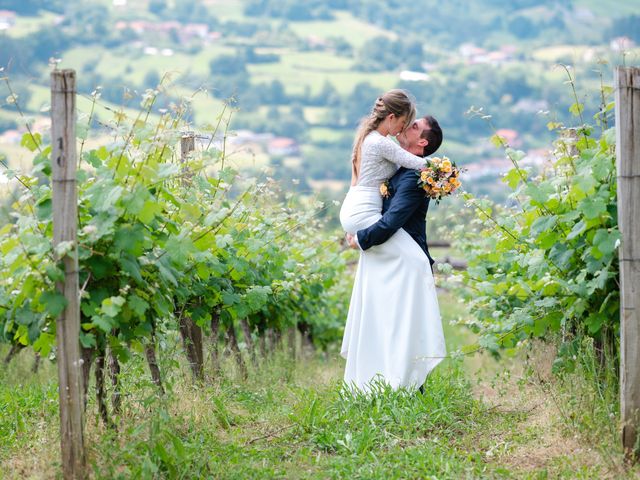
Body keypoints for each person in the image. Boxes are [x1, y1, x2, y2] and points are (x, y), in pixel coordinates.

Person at [339, 107, 446, 392]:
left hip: (405, 259)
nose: (407, 126)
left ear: (423, 142)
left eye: (414, 127)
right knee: (388, 322)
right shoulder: (403, 168)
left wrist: (361, 239)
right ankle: (383, 383)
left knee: (402, 325)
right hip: (392, 257)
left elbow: (391, 222)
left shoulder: (413, 178)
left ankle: (407, 387)